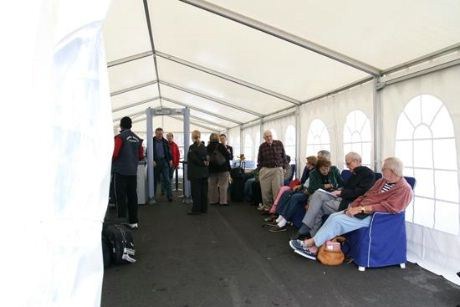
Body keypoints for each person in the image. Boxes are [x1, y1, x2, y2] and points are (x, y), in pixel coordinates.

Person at [289, 157, 413, 260]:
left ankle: (310, 245)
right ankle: (314, 245)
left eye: (384, 168)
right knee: (333, 216)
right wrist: (353, 206)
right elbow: (365, 195)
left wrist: (361, 209)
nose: (381, 170)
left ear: (392, 171)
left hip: (375, 218)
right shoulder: (382, 181)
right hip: (362, 210)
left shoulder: (404, 189)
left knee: (337, 220)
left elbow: (389, 208)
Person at [295, 152, 375, 239]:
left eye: (348, 163)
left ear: (356, 161)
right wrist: (340, 190)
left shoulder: (368, 174)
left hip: (349, 201)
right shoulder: (355, 172)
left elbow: (360, 192)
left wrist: (342, 192)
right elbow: (346, 186)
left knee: (318, 206)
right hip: (342, 196)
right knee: (318, 193)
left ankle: (310, 233)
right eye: (346, 164)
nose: (347, 166)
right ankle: (310, 232)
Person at [270, 158, 343, 232]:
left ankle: (283, 220)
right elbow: (312, 189)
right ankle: (281, 217)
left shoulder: (334, 170)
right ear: (318, 168)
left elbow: (341, 183)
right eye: (323, 169)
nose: (326, 171)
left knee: (294, 197)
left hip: (329, 194)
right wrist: (325, 186)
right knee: (289, 194)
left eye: (327, 169)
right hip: (314, 194)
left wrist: (339, 188)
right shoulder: (314, 173)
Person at [112, 116, 144, 229]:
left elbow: (115, 154)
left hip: (120, 172)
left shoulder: (120, 137)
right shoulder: (137, 139)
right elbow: (141, 156)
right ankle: (134, 222)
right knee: (132, 197)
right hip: (132, 172)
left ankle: (122, 221)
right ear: (131, 125)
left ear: (121, 125)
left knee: (120, 197)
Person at [257, 130, 287, 212]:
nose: (269, 138)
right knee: (265, 191)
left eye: (270, 136)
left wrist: (284, 168)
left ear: (272, 136)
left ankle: (276, 209)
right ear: (264, 138)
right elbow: (259, 159)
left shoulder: (279, 143)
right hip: (266, 169)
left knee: (277, 191)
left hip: (277, 169)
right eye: (266, 137)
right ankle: (267, 208)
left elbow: (283, 156)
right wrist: (260, 170)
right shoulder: (262, 146)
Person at [187, 130, 209, 215]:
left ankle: (196, 210)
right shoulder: (204, 146)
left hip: (196, 173)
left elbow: (194, 159)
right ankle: (204, 209)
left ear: (192, 137)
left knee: (196, 192)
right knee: (204, 192)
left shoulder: (192, 147)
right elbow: (207, 158)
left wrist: (202, 163)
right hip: (204, 173)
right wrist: (204, 163)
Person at [207, 133, 232, 206]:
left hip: (212, 169)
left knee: (212, 185)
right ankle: (223, 201)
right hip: (223, 168)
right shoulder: (221, 146)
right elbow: (228, 156)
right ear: (218, 138)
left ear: (210, 138)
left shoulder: (208, 147)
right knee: (223, 185)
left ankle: (213, 200)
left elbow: (207, 157)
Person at [152, 127, 173, 201]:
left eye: (161, 134)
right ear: (156, 133)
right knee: (154, 180)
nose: (160, 135)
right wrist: (152, 160)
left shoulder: (165, 141)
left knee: (167, 179)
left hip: (164, 162)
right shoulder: (151, 141)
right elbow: (148, 152)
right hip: (156, 162)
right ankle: (152, 196)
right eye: (158, 134)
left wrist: (170, 160)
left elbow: (168, 152)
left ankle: (169, 196)